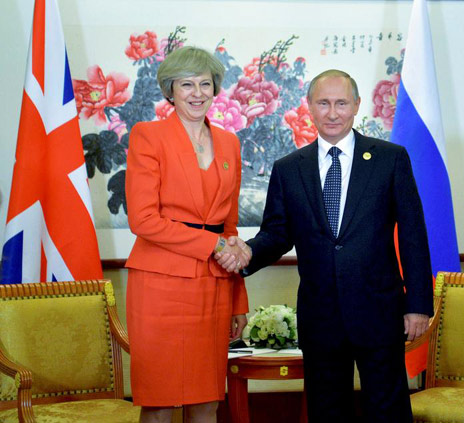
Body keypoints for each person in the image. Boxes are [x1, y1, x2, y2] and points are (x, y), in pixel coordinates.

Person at [218, 69, 433, 422]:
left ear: (356, 106)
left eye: (341, 103)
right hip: (321, 316)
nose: (332, 113)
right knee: (326, 412)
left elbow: (413, 236)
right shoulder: (289, 169)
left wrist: (418, 305)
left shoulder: (390, 159)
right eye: (323, 103)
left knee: (388, 411)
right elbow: (277, 233)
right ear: (310, 107)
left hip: (379, 312)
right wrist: (250, 252)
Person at [125, 46, 251, 423]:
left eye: (205, 84)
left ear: (215, 89)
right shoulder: (148, 136)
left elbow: (228, 230)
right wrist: (212, 244)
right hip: (160, 288)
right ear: (170, 90)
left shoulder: (229, 142)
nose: (197, 93)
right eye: (186, 85)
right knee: (160, 403)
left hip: (214, 289)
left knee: (207, 401)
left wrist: (239, 300)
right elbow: (143, 220)